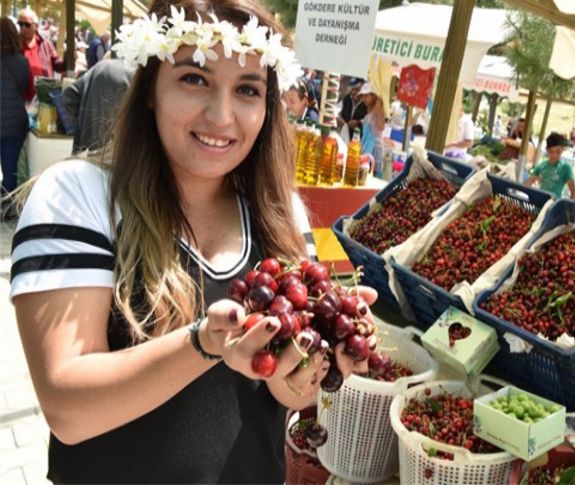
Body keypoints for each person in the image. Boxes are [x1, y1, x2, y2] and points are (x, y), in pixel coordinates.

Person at [10, 1, 375, 482]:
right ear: (149, 90)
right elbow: (68, 410)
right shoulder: (78, 196)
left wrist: (315, 368)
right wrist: (203, 345)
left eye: (247, 90)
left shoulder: (280, 211)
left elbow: (284, 394)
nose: (221, 115)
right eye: (194, 78)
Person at [62, 58, 135, 153]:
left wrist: (83, 120)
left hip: (84, 150)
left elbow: (69, 94)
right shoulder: (135, 74)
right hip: (114, 154)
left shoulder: (100, 66)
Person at [1, 17, 31, 207]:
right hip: (15, 124)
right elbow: (27, 91)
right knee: (10, 167)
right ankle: (8, 205)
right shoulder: (22, 62)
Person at [17, 8, 64, 101]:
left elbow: (57, 65)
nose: (23, 28)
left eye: (27, 24)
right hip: (21, 99)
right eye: (20, 24)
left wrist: (68, 59)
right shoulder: (14, 45)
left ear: (36, 26)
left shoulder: (45, 44)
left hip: (44, 98)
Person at [525, 132, 575, 199]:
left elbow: (574, 192)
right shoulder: (541, 165)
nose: (554, 155)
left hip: (553, 206)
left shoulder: (565, 168)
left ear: (562, 150)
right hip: (538, 204)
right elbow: (528, 182)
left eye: (558, 152)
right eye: (551, 151)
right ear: (546, 150)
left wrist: (568, 208)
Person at [358, 82, 385, 171]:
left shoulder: (377, 109)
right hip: (366, 149)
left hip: (374, 150)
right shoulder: (368, 111)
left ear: (373, 96)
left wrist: (379, 111)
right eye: (362, 96)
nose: (363, 99)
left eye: (366, 96)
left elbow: (381, 127)